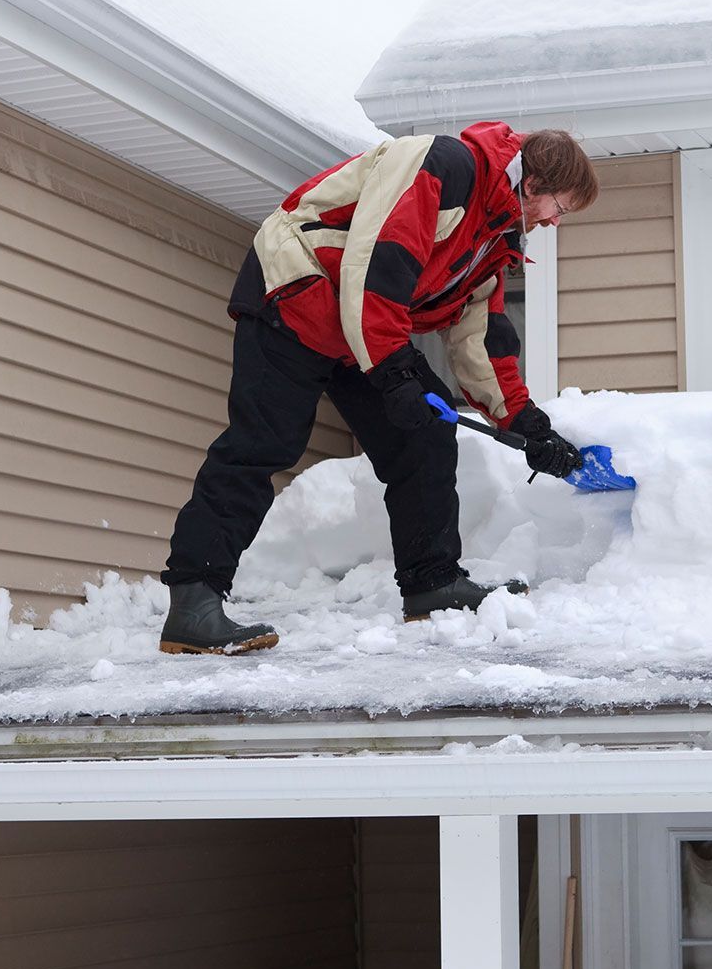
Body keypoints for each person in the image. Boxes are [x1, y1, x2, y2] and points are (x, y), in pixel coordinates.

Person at [157, 122, 600, 654]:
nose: (554, 222)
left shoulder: (494, 234)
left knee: (427, 435)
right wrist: (392, 373)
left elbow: (480, 339)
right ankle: (193, 603)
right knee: (263, 443)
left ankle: (432, 583)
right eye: (560, 207)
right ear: (533, 184)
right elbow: (377, 265)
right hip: (299, 290)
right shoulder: (445, 166)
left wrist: (526, 425)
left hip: (358, 326)